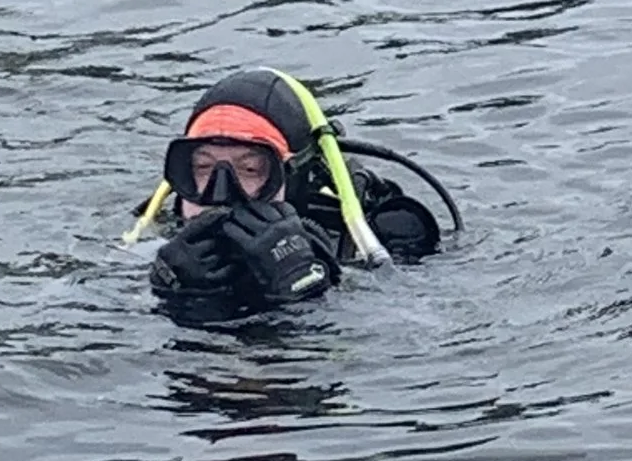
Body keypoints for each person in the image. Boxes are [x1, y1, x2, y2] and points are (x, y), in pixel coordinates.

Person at [144, 70, 446, 327]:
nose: (221, 195)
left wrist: (312, 293)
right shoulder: (158, 240)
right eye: (203, 167)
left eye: (251, 169)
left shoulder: (377, 236)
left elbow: (423, 327)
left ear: (293, 177)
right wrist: (169, 293)